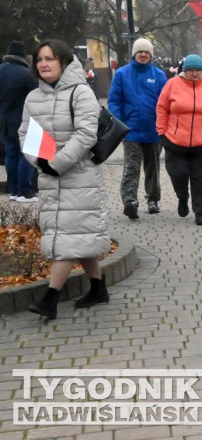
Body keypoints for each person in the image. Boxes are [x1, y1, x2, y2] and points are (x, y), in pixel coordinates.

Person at [21, 40, 111, 321]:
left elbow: (86, 135)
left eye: (50, 58)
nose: (43, 64)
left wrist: (57, 164)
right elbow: (25, 133)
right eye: (39, 59)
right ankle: (97, 288)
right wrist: (40, 163)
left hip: (79, 176)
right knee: (79, 234)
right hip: (49, 177)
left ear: (64, 61)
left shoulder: (81, 93)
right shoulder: (32, 97)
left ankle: (50, 298)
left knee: (66, 238)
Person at [156, 54, 202, 226]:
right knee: (178, 173)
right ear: (184, 70)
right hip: (175, 141)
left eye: (198, 70)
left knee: (201, 177)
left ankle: (200, 211)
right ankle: (182, 197)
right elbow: (162, 108)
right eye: (190, 70)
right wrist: (162, 133)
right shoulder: (172, 84)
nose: (194, 74)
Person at [107, 38, 168, 219]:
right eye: (140, 52)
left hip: (154, 130)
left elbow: (165, 102)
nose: (143, 55)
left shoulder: (158, 75)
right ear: (134, 54)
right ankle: (130, 201)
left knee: (153, 167)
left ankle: (153, 199)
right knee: (132, 167)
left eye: (147, 52)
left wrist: (163, 124)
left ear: (151, 55)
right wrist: (120, 123)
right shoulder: (121, 74)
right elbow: (114, 100)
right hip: (131, 131)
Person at [0, 40, 39, 202]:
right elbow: (37, 96)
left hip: (3, 122)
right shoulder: (27, 74)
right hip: (23, 121)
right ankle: (25, 191)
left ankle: (14, 191)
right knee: (27, 155)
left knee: (11, 155)